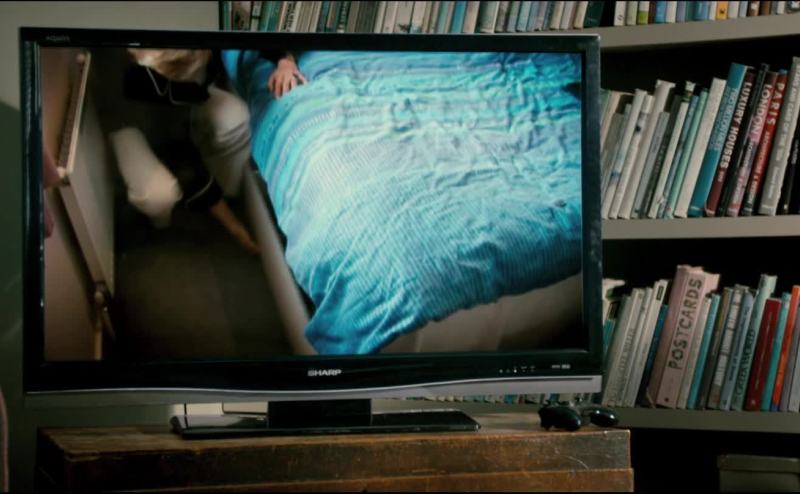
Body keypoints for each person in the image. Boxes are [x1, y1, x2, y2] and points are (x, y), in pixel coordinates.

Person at [109, 47, 306, 253]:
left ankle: (225, 195)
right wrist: (235, 229)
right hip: (132, 118)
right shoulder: (143, 79)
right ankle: (162, 222)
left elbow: (250, 34)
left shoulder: (197, 48)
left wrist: (284, 60)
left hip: (180, 95)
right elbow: (182, 155)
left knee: (235, 118)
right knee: (159, 195)